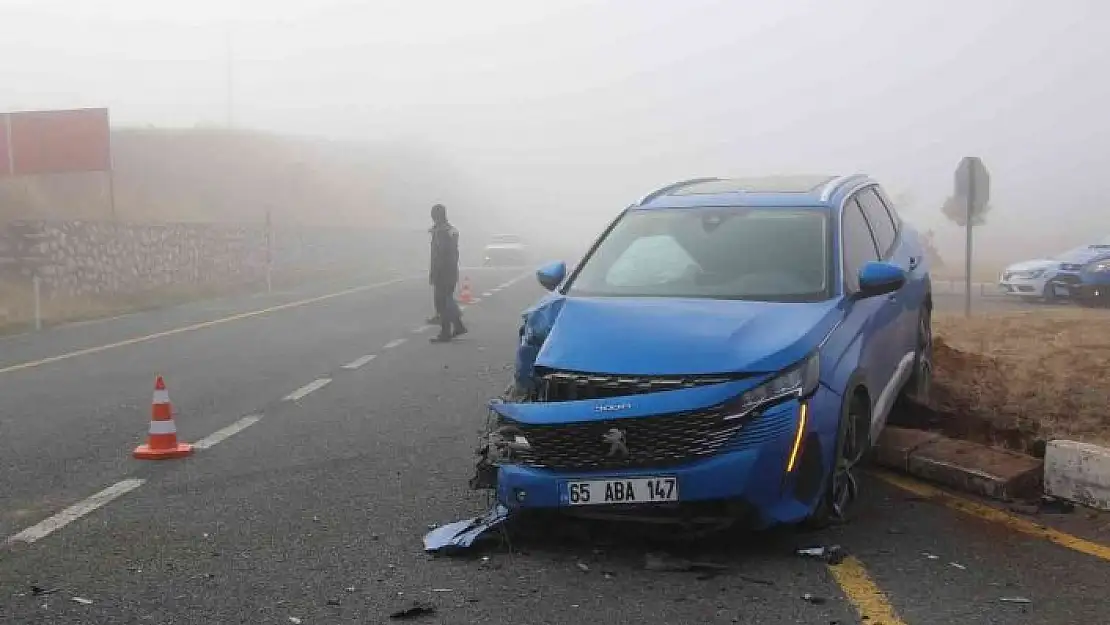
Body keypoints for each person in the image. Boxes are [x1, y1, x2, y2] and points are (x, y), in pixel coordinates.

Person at [428, 203, 466, 342]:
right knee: (447, 301)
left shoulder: (441, 232)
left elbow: (440, 255)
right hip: (451, 271)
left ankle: (445, 333)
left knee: (442, 303)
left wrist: (435, 273)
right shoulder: (450, 230)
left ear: (435, 216)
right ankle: (458, 326)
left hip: (443, 272)